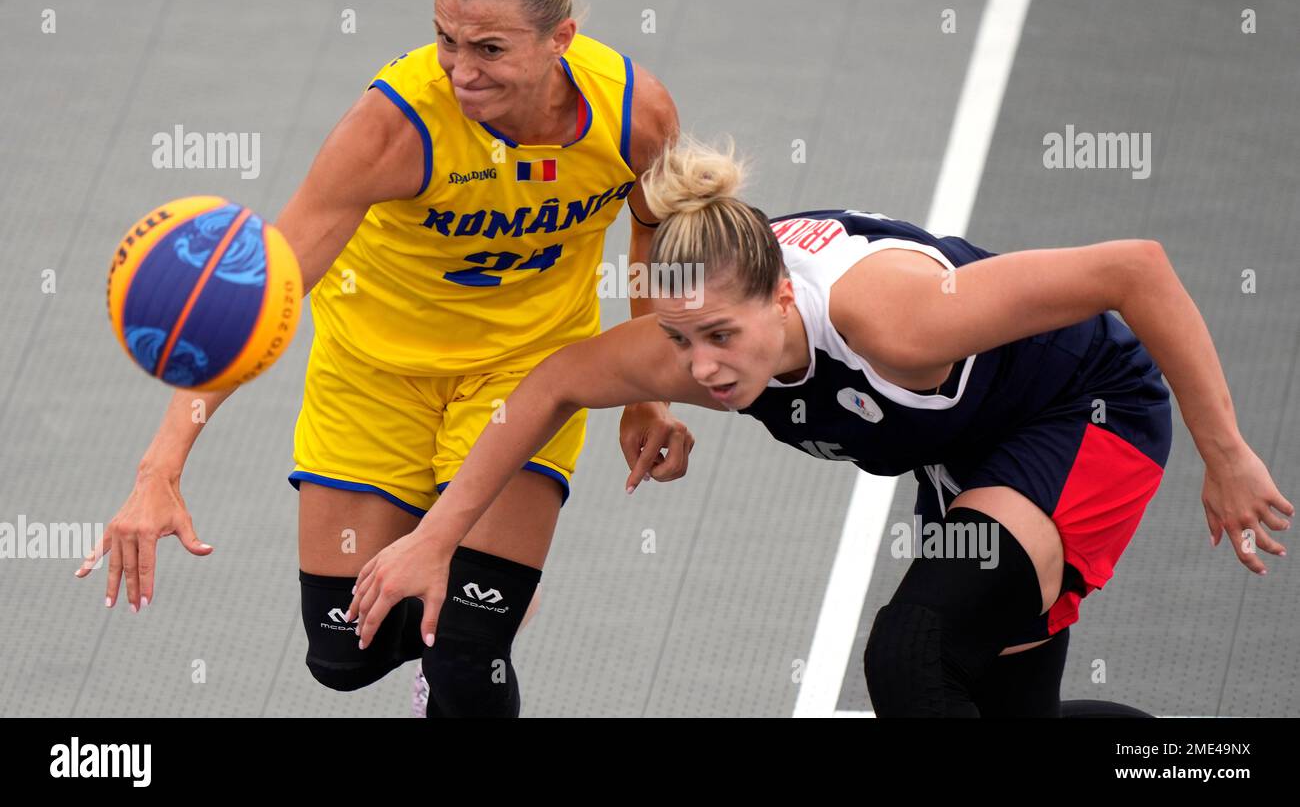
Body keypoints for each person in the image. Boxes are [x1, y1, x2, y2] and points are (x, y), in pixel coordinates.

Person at [346, 135, 1292, 716]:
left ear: (783, 304)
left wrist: (1228, 454)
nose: (705, 368)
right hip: (963, 449)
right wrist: (437, 536)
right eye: (681, 343)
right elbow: (548, 383)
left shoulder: (892, 318)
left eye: (722, 337)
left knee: (910, 653)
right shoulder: (690, 337)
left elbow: (1137, 268)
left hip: (1078, 409)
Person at [77, 0, 697, 718]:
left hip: (530, 372)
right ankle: (479, 597)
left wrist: (642, 389)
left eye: (488, 48)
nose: (459, 69)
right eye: (445, 39)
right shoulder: (394, 128)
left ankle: (484, 605)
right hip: (375, 375)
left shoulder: (632, 117)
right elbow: (262, 296)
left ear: (560, 42)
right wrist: (159, 470)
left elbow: (650, 229)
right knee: (343, 653)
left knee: (469, 650)